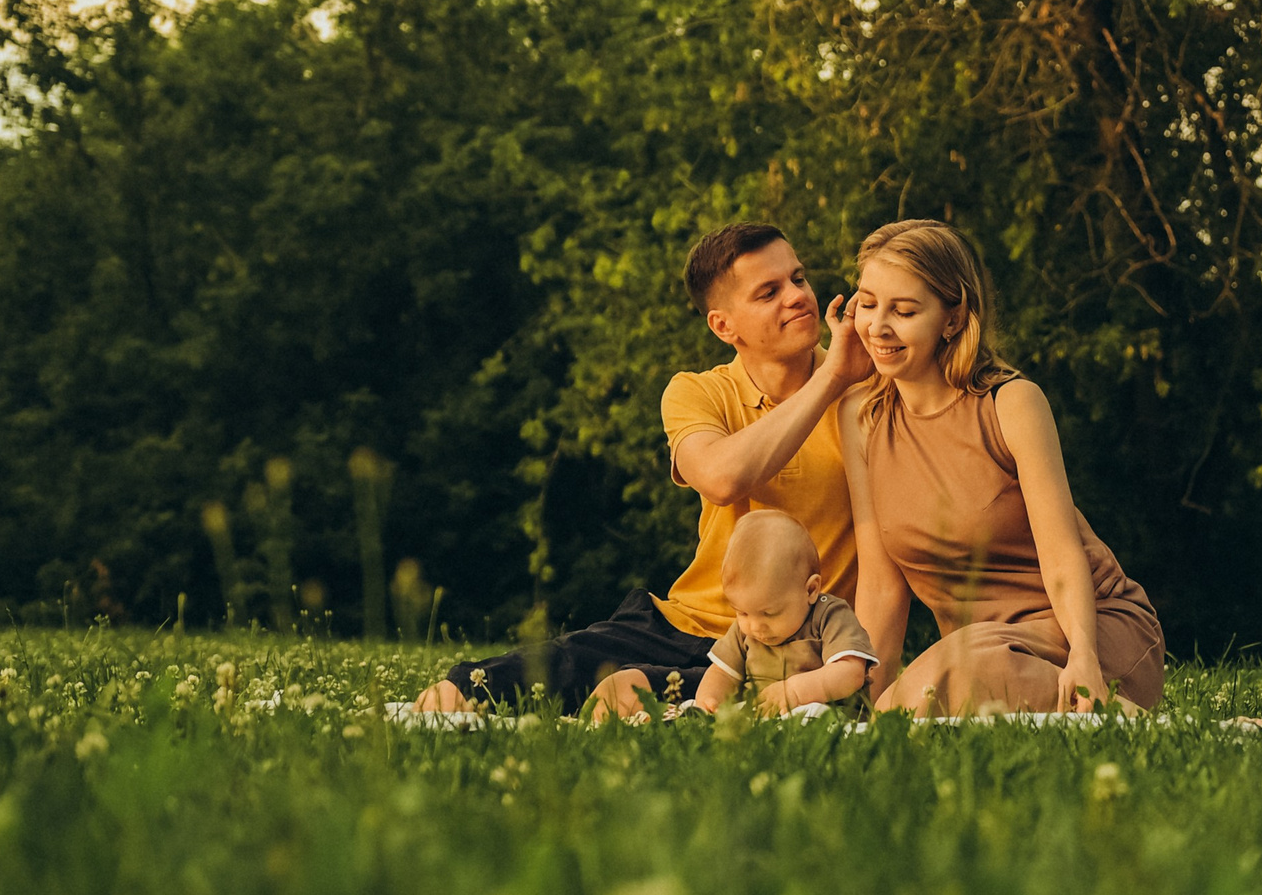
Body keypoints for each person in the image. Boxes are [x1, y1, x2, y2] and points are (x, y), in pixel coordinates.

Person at [411, 222, 868, 715]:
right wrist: (829, 379)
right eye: (768, 292)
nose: (797, 297)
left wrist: (838, 377)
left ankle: (670, 700)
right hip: (680, 624)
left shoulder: (865, 396)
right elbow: (721, 478)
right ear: (723, 326)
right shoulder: (697, 391)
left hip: (794, 641)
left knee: (636, 694)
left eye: (798, 279)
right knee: (470, 691)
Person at [842, 219, 1164, 715]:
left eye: (903, 311)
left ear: (953, 319)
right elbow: (882, 589)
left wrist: (1084, 657)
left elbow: (1061, 555)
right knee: (903, 701)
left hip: (1089, 632)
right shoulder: (861, 418)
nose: (878, 326)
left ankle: (1122, 712)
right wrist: (859, 703)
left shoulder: (1010, 403)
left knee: (935, 684)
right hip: (985, 654)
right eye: (866, 303)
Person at [663, 510, 876, 718]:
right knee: (694, 706)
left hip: (827, 710)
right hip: (763, 713)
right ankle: (697, 718)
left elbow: (851, 672)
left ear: (810, 590)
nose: (755, 626)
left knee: (812, 714)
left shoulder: (829, 615)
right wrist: (710, 699)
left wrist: (794, 692)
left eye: (769, 613)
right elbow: (722, 672)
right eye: (742, 612)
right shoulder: (744, 631)